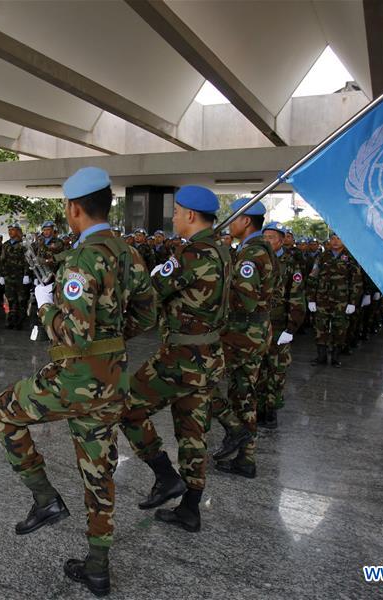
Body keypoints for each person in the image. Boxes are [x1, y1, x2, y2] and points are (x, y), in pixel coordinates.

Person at [0, 167, 156, 596]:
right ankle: (98, 567)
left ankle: (44, 499)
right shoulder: (127, 251)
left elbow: (74, 336)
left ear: (73, 208)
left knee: (3, 412)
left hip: (74, 380)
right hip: (113, 381)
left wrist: (45, 307)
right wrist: (111, 343)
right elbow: (147, 314)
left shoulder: (81, 259)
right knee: (99, 473)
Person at [119, 185, 229, 533]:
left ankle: (165, 477)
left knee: (126, 408)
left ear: (191, 216)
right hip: (208, 357)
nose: (175, 218)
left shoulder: (191, 254)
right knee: (193, 433)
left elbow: (152, 293)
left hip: (181, 357)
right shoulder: (223, 251)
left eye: (178, 213)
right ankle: (190, 509)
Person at [212, 197, 275, 479]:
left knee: (200, 380)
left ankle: (233, 427)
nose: (229, 223)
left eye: (233, 218)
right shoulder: (262, 250)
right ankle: (246, 459)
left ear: (246, 221)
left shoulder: (251, 254)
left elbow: (244, 300)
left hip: (242, 333)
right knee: (243, 395)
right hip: (256, 332)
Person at [255, 221, 305, 429]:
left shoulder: (291, 263)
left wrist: (291, 328)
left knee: (276, 370)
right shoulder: (257, 260)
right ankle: (257, 408)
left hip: (278, 326)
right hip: (257, 325)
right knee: (257, 369)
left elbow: (297, 296)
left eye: (272, 237)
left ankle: (271, 410)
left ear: (282, 240)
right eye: (265, 237)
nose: (267, 241)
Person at [306, 232, 361, 367]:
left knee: (340, 329)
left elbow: (357, 282)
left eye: (339, 238)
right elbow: (313, 277)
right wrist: (311, 299)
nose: (335, 241)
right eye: (333, 239)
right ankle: (321, 357)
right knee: (320, 328)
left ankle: (336, 357)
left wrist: (353, 302)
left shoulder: (351, 258)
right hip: (322, 299)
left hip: (341, 300)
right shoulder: (322, 256)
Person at [0, 222, 31, 330]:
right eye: (9, 230)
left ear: (18, 231)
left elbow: (28, 261)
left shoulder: (23, 244)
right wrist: (2, 275)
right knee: (9, 299)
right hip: (8, 276)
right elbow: (2, 261)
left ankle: (20, 321)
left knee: (21, 300)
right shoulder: (6, 244)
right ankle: (10, 320)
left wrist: (26, 275)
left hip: (20, 277)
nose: (10, 232)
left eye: (12, 230)